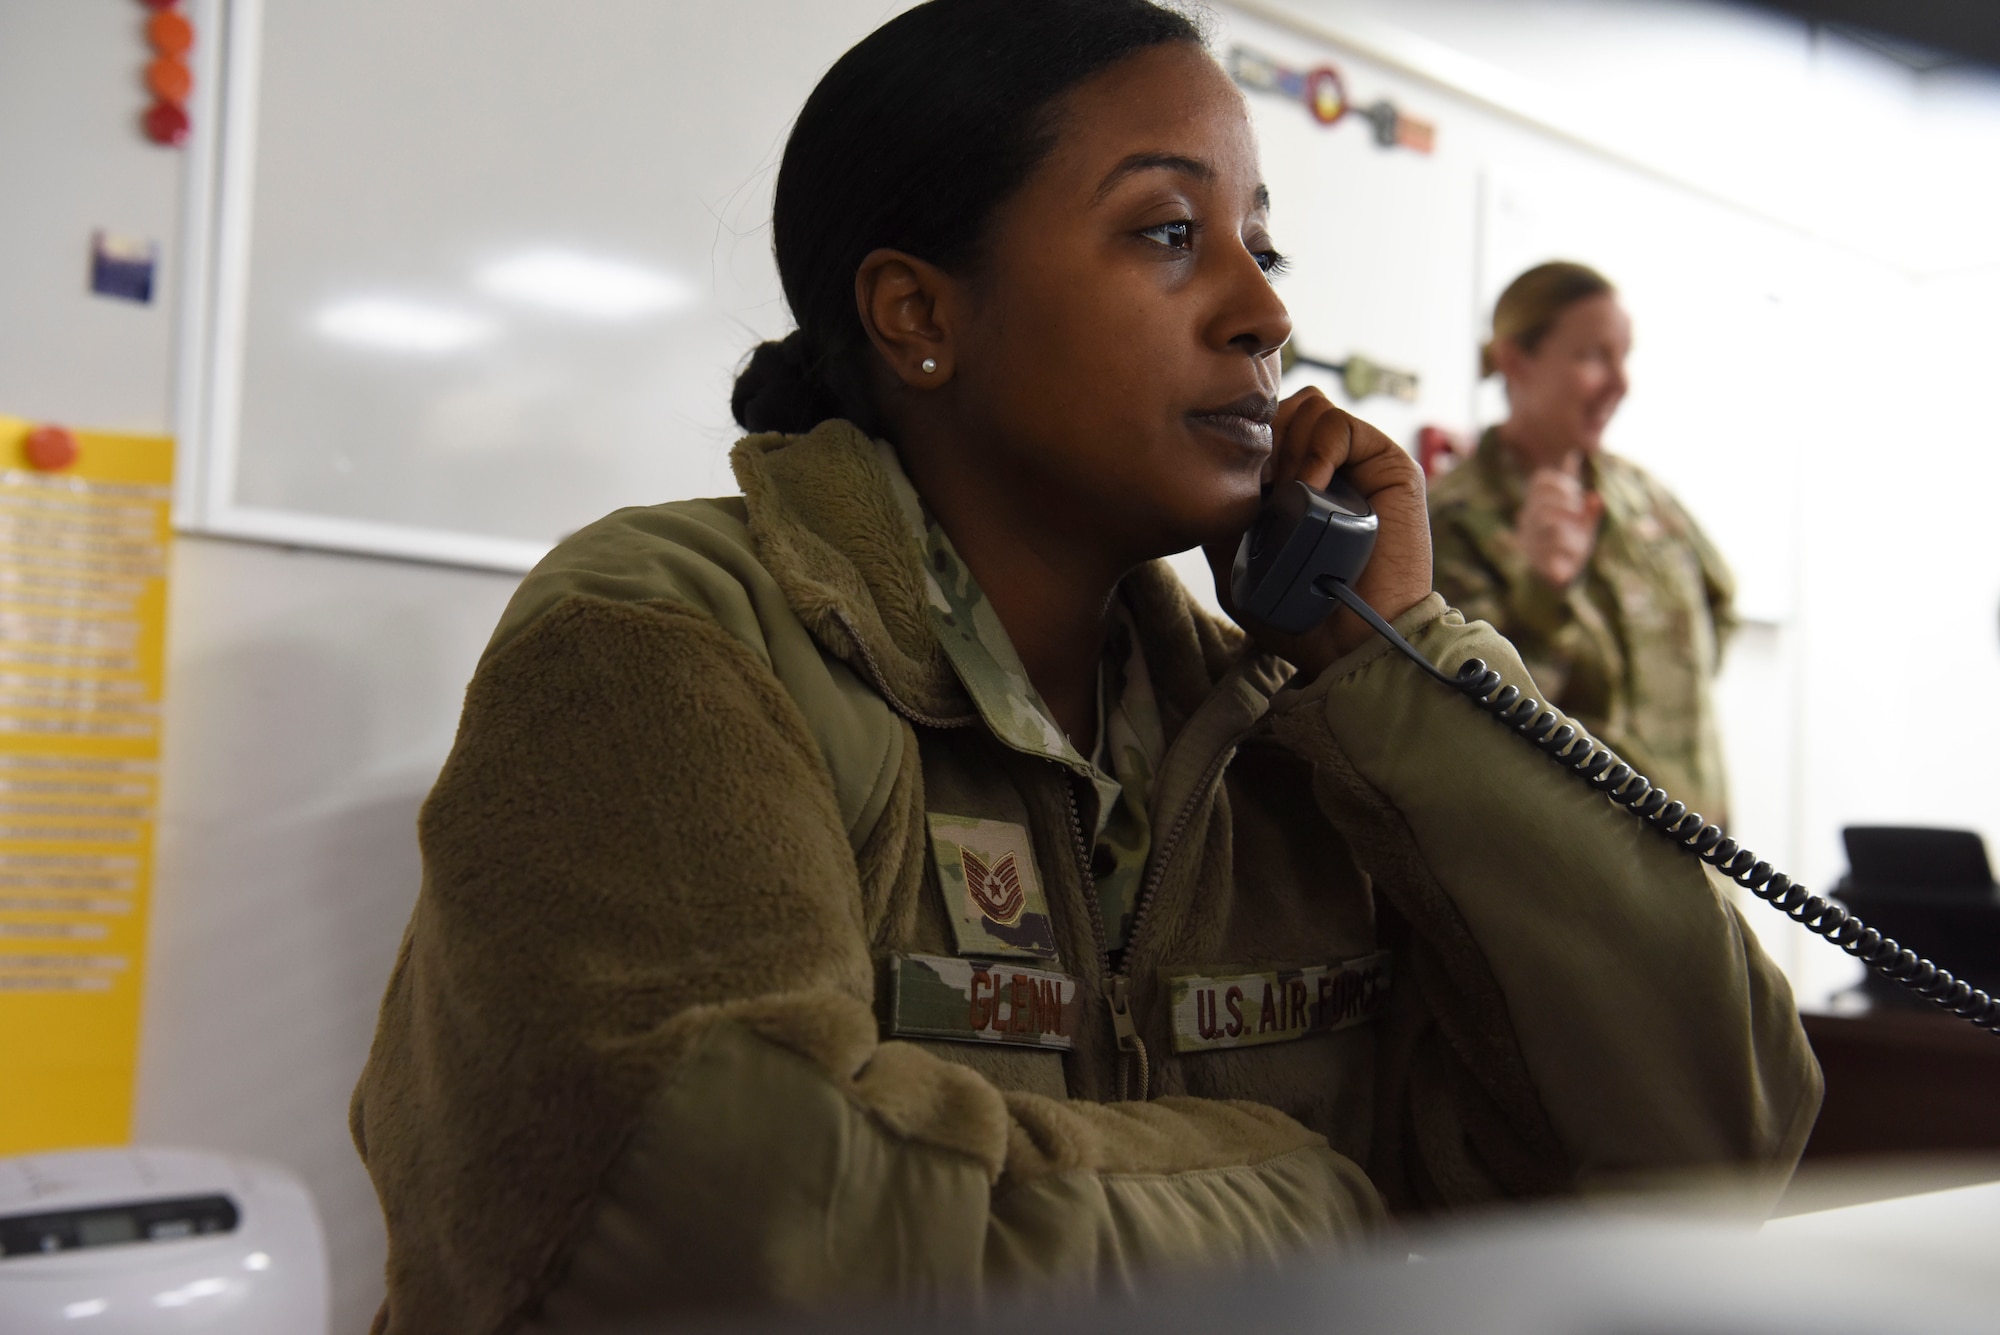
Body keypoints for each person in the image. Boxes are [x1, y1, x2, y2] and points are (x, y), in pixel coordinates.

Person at [349, 6, 1817, 1331]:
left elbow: (1711, 1141)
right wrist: (1311, 1206)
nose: (1264, 312)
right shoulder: (667, 639)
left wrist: (1407, 662)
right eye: (1170, 233)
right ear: (921, 314)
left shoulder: (1286, 731)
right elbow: (732, 1236)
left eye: (1263, 244)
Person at [1428, 262, 1738, 822]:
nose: (1621, 383)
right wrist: (1541, 592)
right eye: (1594, 356)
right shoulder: (1449, 520)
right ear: (1515, 360)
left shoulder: (1643, 495)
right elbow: (1466, 720)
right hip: (1577, 866)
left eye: (1625, 356)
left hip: (1702, 847)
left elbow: (1721, 608)